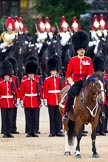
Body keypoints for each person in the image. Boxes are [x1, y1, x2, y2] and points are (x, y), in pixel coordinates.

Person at [62, 31, 94, 121]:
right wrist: (72, 83)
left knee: (95, 94)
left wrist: (87, 81)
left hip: (86, 82)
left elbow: (90, 73)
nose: (82, 50)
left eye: (83, 48)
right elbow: (68, 74)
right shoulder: (72, 60)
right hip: (75, 82)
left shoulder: (88, 60)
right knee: (70, 95)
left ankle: (98, 114)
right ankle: (66, 113)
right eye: (80, 49)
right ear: (77, 49)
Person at [43, 55, 64, 137]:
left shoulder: (60, 79)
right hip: (51, 100)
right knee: (52, 116)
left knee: (59, 116)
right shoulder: (47, 80)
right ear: (50, 72)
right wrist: (45, 100)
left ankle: (59, 130)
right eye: (52, 71)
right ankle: (52, 131)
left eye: (55, 71)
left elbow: (62, 90)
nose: (54, 72)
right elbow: (45, 91)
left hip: (58, 100)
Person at [20, 60, 41, 137]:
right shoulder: (24, 82)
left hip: (35, 101)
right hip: (28, 101)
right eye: (30, 74)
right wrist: (21, 101)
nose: (31, 75)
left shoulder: (36, 82)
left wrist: (40, 101)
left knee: (35, 117)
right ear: (28, 74)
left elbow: (39, 92)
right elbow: (22, 92)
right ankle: (29, 132)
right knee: (28, 117)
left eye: (32, 74)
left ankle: (34, 131)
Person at [0, 61, 19, 138]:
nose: (7, 77)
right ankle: (5, 133)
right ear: (3, 76)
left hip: (10, 103)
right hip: (4, 103)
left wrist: (16, 101)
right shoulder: (1, 84)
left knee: (10, 118)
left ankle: (9, 132)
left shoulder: (12, 84)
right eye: (6, 76)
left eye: (8, 76)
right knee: (4, 119)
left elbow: (16, 93)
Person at [93, 56, 106, 136]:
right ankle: (97, 129)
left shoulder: (103, 78)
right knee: (97, 113)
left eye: (101, 71)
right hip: (96, 97)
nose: (100, 72)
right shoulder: (94, 78)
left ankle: (102, 129)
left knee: (103, 113)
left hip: (103, 97)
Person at [6, 57, 20, 134]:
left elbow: (18, 88)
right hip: (8, 99)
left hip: (13, 98)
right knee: (6, 115)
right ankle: (5, 128)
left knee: (14, 114)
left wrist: (17, 99)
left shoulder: (15, 78)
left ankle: (13, 128)